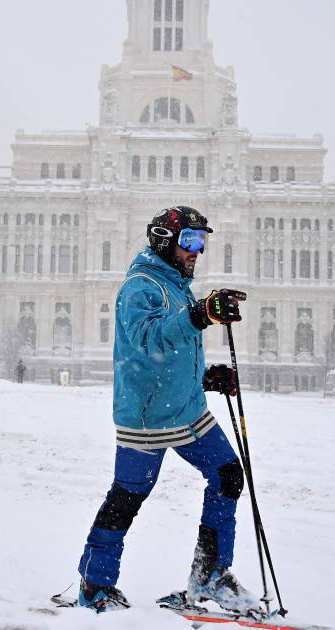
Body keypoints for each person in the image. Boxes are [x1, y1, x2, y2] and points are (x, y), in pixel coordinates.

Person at [75, 206, 260, 615]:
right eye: (190, 241)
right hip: (148, 417)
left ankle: (210, 576)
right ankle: (94, 583)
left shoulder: (175, 284)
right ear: (164, 240)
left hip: (186, 408)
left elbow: (175, 346)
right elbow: (148, 340)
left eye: (202, 242)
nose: (198, 250)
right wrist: (201, 314)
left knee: (228, 476)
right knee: (128, 495)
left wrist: (205, 377)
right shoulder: (140, 287)